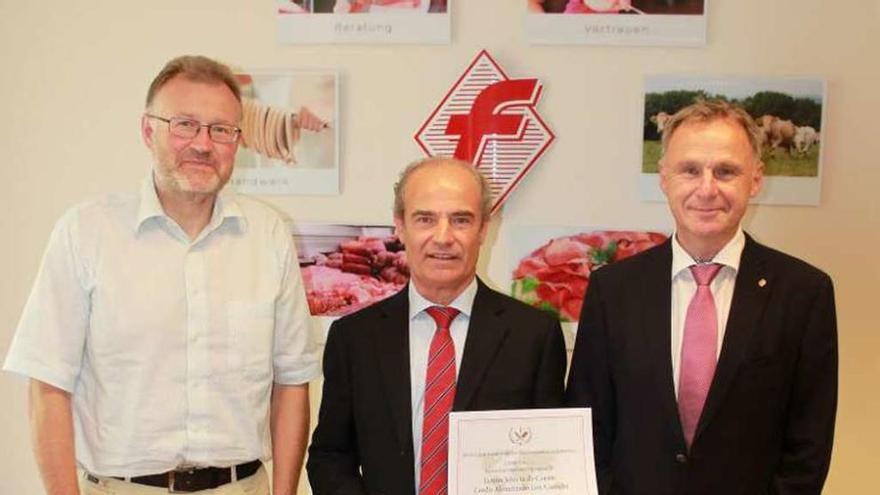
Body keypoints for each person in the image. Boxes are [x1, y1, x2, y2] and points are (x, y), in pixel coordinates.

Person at [3, 55, 320, 495]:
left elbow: (291, 381)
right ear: (147, 130)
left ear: (237, 141)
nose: (203, 144)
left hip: (242, 487)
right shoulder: (86, 233)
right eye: (184, 124)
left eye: (221, 130)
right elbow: (48, 385)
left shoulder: (267, 236)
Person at [566, 99, 837, 494]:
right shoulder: (613, 291)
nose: (706, 189)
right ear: (664, 178)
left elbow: (808, 446)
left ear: (756, 179)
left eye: (726, 171)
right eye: (689, 170)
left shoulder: (803, 293)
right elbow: (588, 427)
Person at [307, 157, 567, 495]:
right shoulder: (354, 337)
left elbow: (550, 462)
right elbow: (330, 456)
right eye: (425, 219)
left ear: (484, 228)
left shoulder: (535, 336)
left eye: (461, 220)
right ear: (399, 225)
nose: (443, 237)